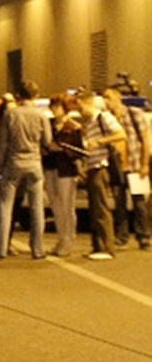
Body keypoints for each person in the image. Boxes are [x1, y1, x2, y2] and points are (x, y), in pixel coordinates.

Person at [0, 81, 51, 259]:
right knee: (36, 207)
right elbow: (47, 140)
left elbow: (3, 144)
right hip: (34, 163)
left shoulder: (11, 114)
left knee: (5, 205)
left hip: (14, 163)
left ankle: (0, 248)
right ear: (36, 95)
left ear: (18, 96)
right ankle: (37, 249)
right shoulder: (41, 116)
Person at [75, 90, 123, 260]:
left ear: (88, 103)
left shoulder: (104, 117)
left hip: (101, 166)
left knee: (101, 208)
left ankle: (107, 248)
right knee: (94, 209)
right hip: (91, 166)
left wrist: (99, 141)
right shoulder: (89, 123)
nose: (79, 110)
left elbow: (120, 134)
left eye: (80, 106)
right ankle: (97, 247)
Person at [102, 87, 151, 248]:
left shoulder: (134, 114)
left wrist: (144, 164)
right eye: (104, 98)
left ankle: (143, 236)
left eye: (108, 97)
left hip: (135, 165)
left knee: (139, 202)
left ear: (118, 97)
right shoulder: (107, 119)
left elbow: (145, 140)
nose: (106, 101)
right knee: (119, 203)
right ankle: (122, 236)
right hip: (116, 167)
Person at [43, 94, 85, 257]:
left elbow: (79, 151)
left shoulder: (73, 127)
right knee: (55, 205)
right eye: (52, 106)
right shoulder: (49, 125)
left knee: (67, 206)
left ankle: (68, 240)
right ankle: (61, 239)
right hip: (50, 167)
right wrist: (47, 148)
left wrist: (62, 149)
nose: (54, 110)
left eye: (57, 106)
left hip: (66, 169)